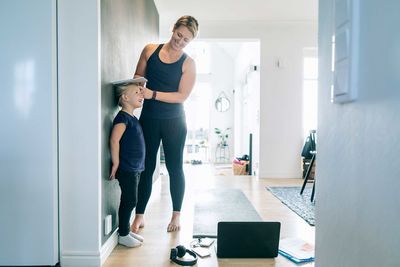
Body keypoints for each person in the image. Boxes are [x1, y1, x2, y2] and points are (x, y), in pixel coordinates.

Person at [131, 15, 199, 233]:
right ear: (173, 29)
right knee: (146, 168)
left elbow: (181, 96)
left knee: (174, 168)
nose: (180, 41)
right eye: (179, 35)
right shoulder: (149, 50)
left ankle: (176, 215)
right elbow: (137, 78)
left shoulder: (188, 63)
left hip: (174, 122)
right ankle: (139, 215)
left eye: (186, 39)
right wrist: (137, 92)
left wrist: (152, 94)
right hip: (149, 120)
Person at [110, 81, 146, 247]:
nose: (141, 94)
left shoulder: (132, 118)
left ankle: (125, 230)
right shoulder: (122, 118)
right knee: (129, 200)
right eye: (137, 92)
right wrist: (116, 162)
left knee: (132, 199)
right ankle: (123, 234)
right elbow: (115, 139)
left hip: (135, 168)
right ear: (125, 97)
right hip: (127, 168)